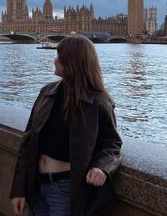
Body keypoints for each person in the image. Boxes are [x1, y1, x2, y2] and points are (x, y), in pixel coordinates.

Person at [10, 35, 122, 216]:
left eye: (59, 56)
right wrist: (18, 189)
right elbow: (28, 142)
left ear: (72, 61)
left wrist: (102, 167)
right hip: (36, 185)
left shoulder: (98, 102)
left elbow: (112, 143)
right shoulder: (47, 92)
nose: (54, 60)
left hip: (65, 190)